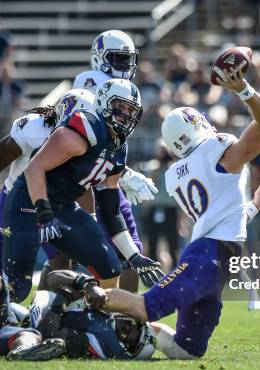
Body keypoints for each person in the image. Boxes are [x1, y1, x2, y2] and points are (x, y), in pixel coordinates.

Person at [89, 67, 260, 359]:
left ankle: (139, 331)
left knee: (188, 351)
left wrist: (254, 207)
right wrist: (243, 88)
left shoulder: (176, 173)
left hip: (212, 254)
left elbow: (221, 216)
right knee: (143, 306)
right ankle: (77, 301)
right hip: (207, 258)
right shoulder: (215, 152)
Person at [0, 89, 95, 310]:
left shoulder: (87, 141)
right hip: (18, 203)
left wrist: (91, 222)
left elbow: (83, 185)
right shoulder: (33, 129)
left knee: (62, 263)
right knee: (11, 285)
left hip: (53, 204)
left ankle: (38, 317)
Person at [23, 79, 165, 290]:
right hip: (32, 199)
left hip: (64, 205)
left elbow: (111, 210)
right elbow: (33, 169)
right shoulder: (86, 125)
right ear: (105, 103)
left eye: (130, 110)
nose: (126, 115)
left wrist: (134, 257)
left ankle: (73, 314)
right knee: (19, 283)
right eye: (121, 107)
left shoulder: (118, 147)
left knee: (110, 267)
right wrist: (44, 215)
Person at [0, 271, 156, 360]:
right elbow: (53, 278)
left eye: (131, 338)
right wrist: (84, 283)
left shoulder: (102, 344)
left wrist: (62, 300)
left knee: (32, 334)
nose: (126, 331)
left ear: (126, 350)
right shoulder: (101, 308)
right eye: (132, 327)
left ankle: (23, 351)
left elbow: (51, 332)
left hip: (4, 340)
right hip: (8, 323)